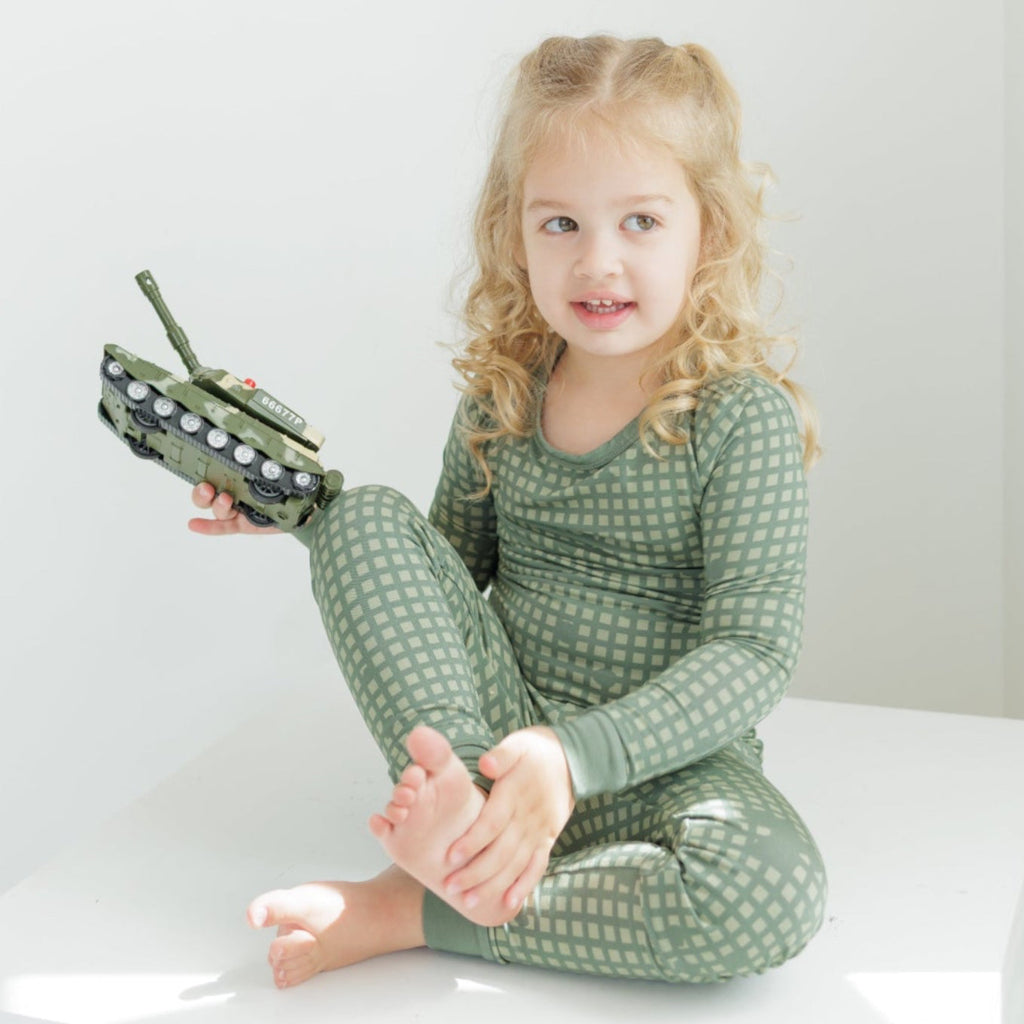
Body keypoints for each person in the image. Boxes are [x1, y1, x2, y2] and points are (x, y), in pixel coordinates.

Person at [190, 34, 827, 989]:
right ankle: (471, 822)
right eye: (560, 224)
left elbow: (753, 653)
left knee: (769, 886)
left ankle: (420, 905)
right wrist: (309, 524)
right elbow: (437, 579)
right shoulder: (505, 394)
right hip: (491, 750)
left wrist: (573, 757)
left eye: (642, 222)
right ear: (513, 232)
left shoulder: (743, 421)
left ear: (711, 231)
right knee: (361, 511)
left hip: (661, 766)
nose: (598, 261)